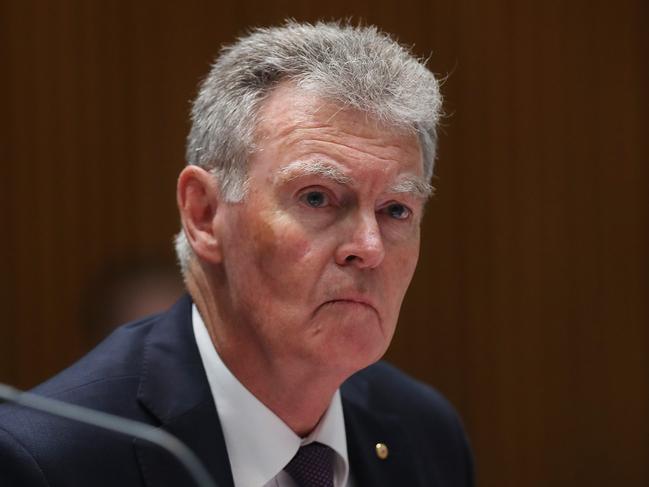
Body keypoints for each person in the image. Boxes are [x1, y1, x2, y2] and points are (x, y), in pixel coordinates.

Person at [0, 21, 473, 487]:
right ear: (204, 214)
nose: (368, 249)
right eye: (316, 198)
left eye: (395, 209)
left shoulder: (423, 433)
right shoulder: (49, 461)